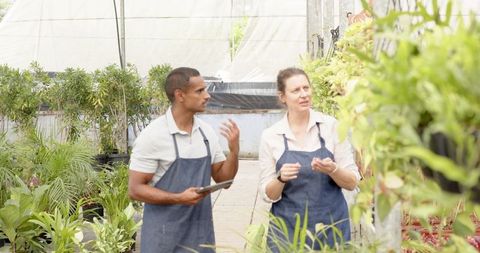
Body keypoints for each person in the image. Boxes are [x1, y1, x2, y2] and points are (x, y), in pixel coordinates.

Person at [128, 67, 240, 253]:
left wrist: (234, 151)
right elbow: (135, 189)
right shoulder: (153, 136)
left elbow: (224, 180)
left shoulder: (206, 132)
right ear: (180, 95)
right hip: (163, 237)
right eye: (199, 91)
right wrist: (179, 198)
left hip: (200, 235)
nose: (207, 96)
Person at [258, 67, 360, 251]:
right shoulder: (271, 136)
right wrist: (280, 178)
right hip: (288, 232)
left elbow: (352, 182)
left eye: (306, 88)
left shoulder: (331, 127)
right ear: (282, 96)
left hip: (331, 228)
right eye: (296, 90)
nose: (304, 94)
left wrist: (333, 170)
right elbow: (268, 195)